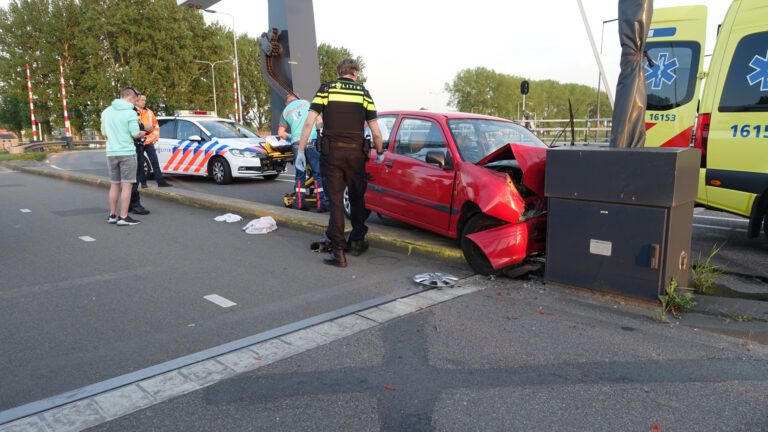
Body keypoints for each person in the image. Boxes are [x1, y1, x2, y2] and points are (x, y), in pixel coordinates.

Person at [297, 58, 383, 267]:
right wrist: (379, 151)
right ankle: (357, 241)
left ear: (338, 73)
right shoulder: (363, 93)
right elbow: (375, 131)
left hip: (332, 153)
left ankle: (338, 253)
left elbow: (309, 121)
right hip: (356, 154)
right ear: (356, 72)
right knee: (356, 198)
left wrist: (301, 150)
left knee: (335, 202)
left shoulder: (326, 89)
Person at [100, 87, 145, 226]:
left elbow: (104, 132)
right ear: (131, 98)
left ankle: (112, 214)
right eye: (135, 100)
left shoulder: (106, 112)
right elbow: (135, 134)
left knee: (114, 184)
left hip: (111, 152)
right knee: (127, 185)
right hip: (126, 152)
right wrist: (142, 133)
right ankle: (123, 217)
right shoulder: (130, 112)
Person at [278, 93, 325, 211]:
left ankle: (300, 203)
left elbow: (280, 133)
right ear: (297, 99)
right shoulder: (307, 103)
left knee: (300, 174)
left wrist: (290, 138)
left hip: (297, 144)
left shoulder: (285, 111)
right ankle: (321, 204)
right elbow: (319, 121)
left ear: (287, 102)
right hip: (311, 140)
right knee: (317, 173)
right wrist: (319, 134)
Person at [135, 93, 172, 188]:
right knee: (140, 163)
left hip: (148, 141)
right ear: (136, 100)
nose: (144, 102)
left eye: (145, 100)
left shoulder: (149, 112)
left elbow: (155, 126)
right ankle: (143, 183)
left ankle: (160, 181)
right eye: (142, 100)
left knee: (155, 161)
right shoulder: (133, 112)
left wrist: (154, 137)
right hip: (138, 141)